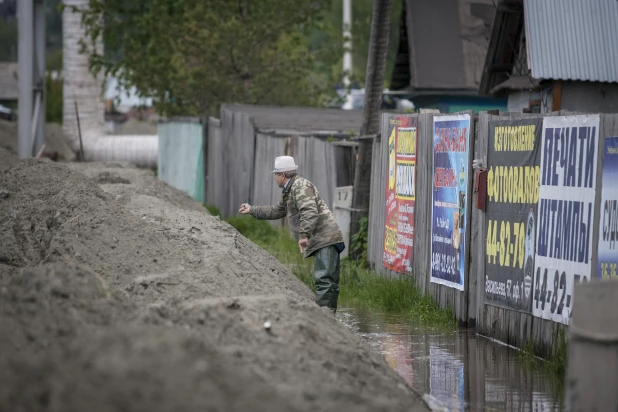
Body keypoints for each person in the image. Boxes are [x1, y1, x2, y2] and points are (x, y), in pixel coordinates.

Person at [239, 156, 345, 313]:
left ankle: (325, 320)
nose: (274, 178)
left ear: (282, 175)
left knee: (325, 281)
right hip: (324, 239)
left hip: (325, 239)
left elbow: (309, 211)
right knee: (327, 282)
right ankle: (328, 318)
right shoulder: (290, 190)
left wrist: (304, 235)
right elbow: (277, 210)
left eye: (275, 174)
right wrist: (252, 210)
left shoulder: (300, 186)